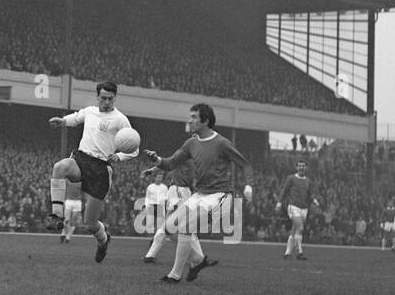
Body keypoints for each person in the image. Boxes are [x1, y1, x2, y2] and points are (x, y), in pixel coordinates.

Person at [145, 103, 250, 284]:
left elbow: (244, 164)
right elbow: (170, 164)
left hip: (220, 196)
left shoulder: (222, 143)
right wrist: (157, 159)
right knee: (169, 228)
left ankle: (174, 275)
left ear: (206, 121)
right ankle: (197, 262)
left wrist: (249, 185)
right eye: (190, 116)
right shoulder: (191, 143)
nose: (190, 120)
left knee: (186, 227)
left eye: (194, 117)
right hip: (199, 195)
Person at [47, 80, 137, 263]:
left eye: (110, 99)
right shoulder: (90, 111)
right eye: (103, 98)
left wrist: (119, 157)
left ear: (115, 98)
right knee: (59, 167)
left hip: (101, 170)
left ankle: (103, 241)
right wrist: (62, 121)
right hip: (82, 159)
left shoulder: (120, 119)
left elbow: (134, 148)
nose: (106, 102)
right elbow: (76, 118)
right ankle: (56, 216)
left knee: (90, 224)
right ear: (97, 97)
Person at [278, 159, 319, 260]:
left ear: (306, 168)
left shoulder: (308, 181)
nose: (301, 167)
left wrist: (314, 200)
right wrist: (279, 203)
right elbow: (284, 191)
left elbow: (310, 193)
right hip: (293, 207)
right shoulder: (291, 178)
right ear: (296, 167)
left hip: (304, 209)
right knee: (300, 227)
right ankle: (299, 252)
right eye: (299, 166)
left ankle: (287, 253)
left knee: (295, 230)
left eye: (303, 166)